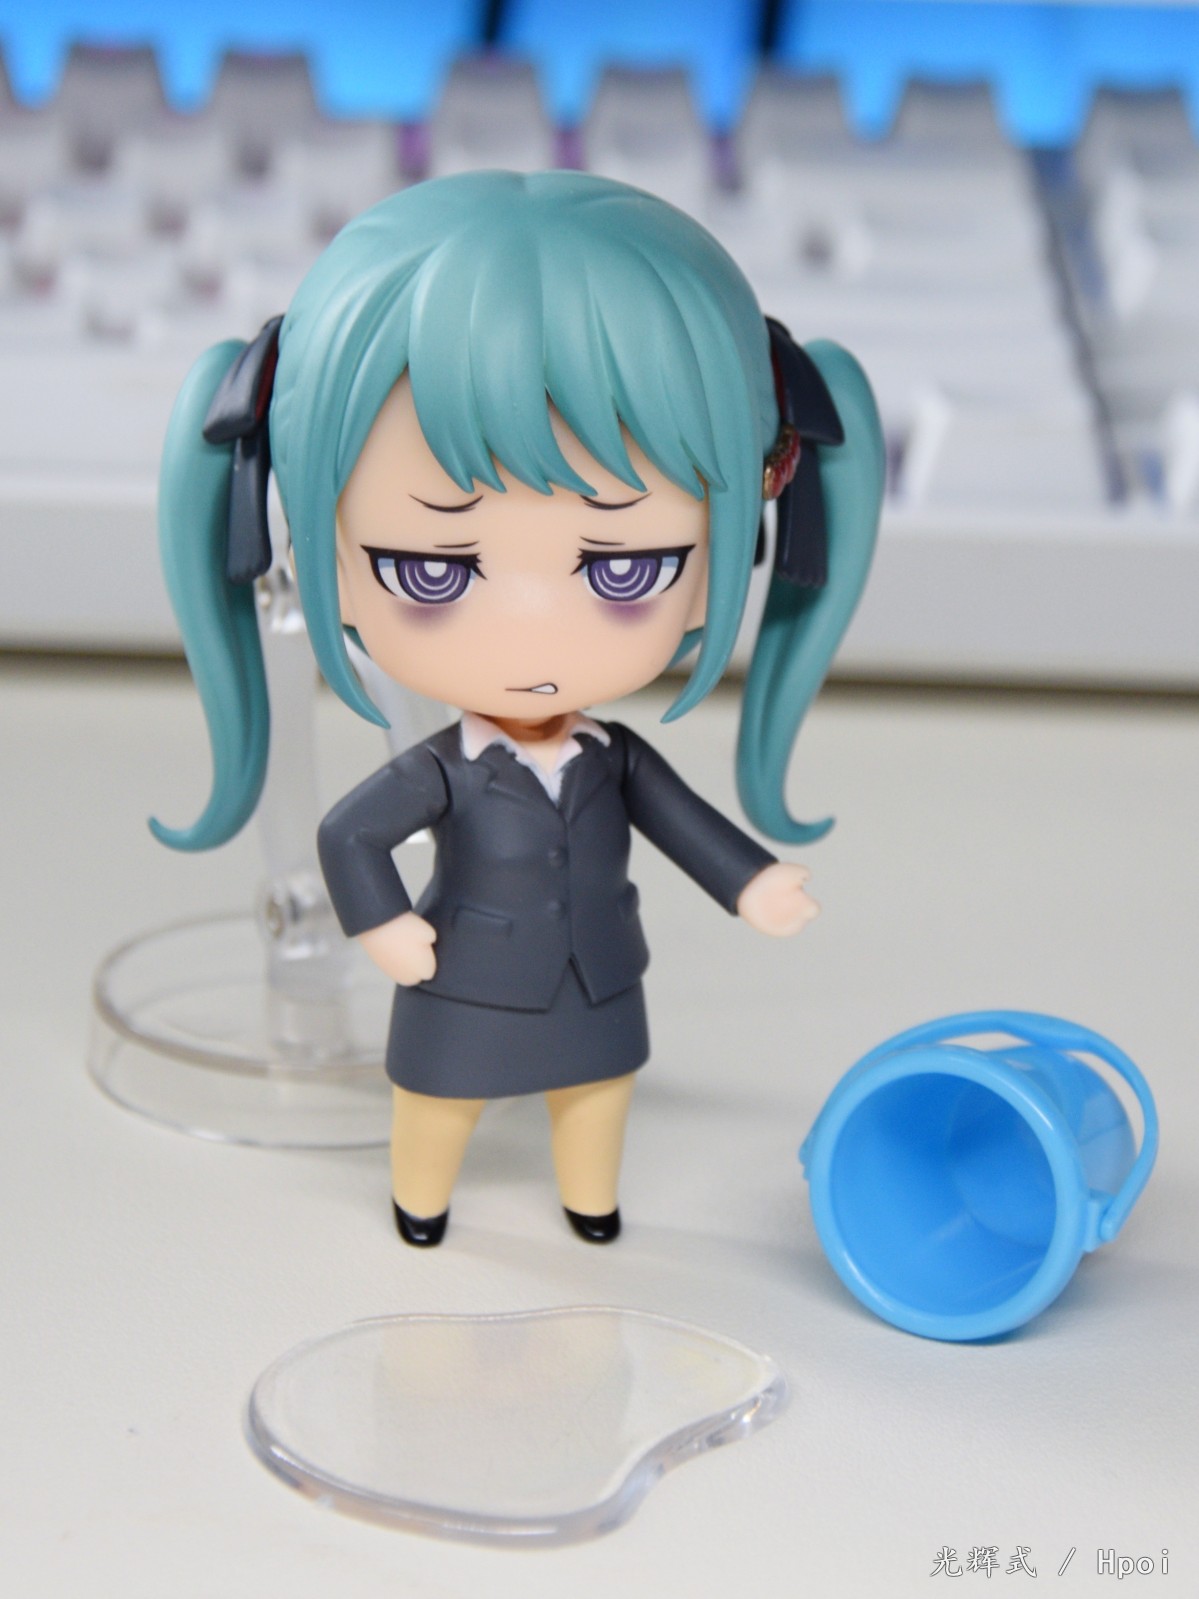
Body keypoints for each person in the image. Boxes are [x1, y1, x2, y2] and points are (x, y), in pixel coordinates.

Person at [154, 170, 884, 1246]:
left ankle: (591, 1202)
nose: (533, 637)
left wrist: (752, 882)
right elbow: (348, 832)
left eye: (626, 569)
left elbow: (683, 824)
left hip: (598, 977)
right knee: (437, 1103)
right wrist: (382, 923)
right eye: (432, 570)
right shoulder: (443, 769)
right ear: (319, 549)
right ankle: (421, 1204)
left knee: (596, 1096)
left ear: (731, 547)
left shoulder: (612, 759)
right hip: (461, 978)